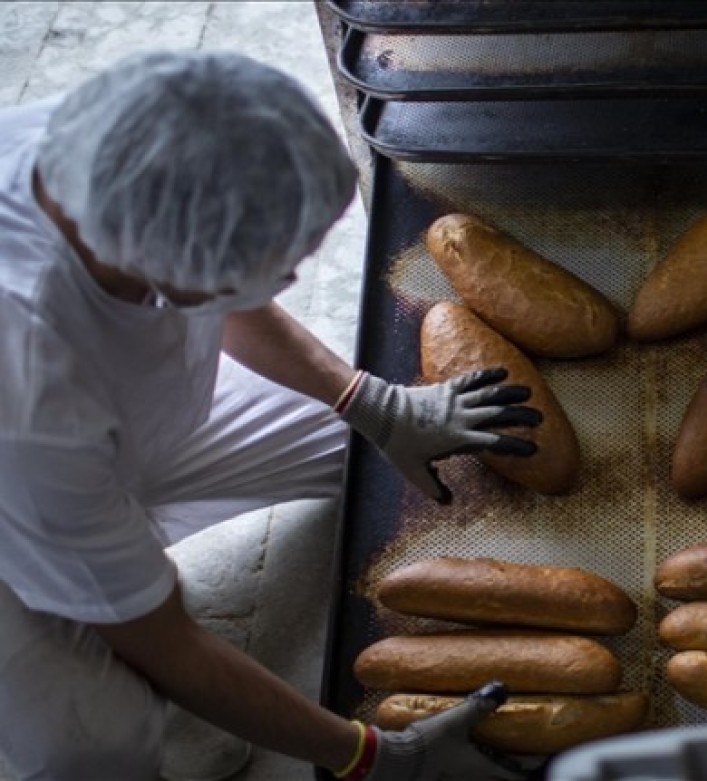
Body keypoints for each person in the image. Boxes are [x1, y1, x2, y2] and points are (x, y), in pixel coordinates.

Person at [0, 51, 541, 780]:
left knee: (367, 451)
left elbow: (227, 283)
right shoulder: (30, 385)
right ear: (168, 269)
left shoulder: (113, 149)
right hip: (17, 517)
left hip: (124, 418)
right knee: (95, 741)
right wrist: (368, 754)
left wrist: (370, 403)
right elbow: (162, 639)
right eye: (270, 269)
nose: (287, 282)